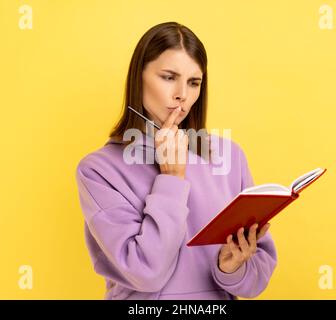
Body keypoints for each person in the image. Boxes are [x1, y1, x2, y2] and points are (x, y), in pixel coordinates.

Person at [75, 21, 277, 300]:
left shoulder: (229, 156)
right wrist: (171, 179)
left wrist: (231, 269)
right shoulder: (98, 170)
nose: (182, 94)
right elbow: (146, 272)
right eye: (169, 77)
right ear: (139, 77)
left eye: (194, 82)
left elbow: (257, 279)